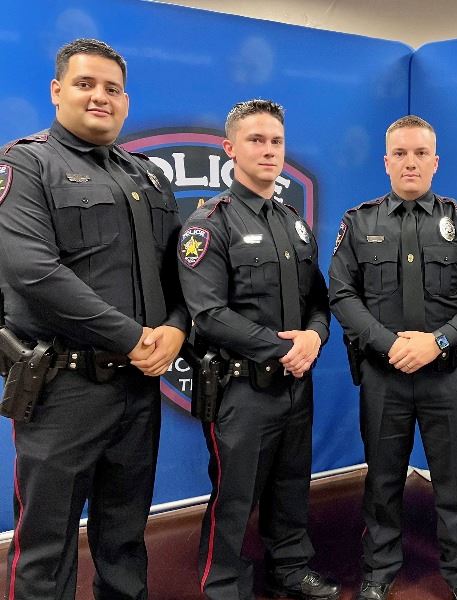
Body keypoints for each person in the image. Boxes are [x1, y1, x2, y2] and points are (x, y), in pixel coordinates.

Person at [0, 38, 189, 599]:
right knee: (45, 546)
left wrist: (177, 326)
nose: (99, 97)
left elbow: (178, 268)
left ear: (126, 101)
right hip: (63, 391)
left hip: (137, 389)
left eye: (112, 88)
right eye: (85, 84)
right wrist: (133, 337)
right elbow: (34, 272)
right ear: (58, 91)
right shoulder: (26, 164)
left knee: (126, 535)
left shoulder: (148, 177)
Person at [328, 115, 457, 600]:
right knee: (382, 479)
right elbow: (342, 296)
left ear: (435, 161)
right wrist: (390, 345)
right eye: (400, 154)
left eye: (420, 153)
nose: (411, 162)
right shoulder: (359, 222)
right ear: (386, 162)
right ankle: (379, 568)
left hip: (448, 376)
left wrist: (439, 341)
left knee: (453, 481)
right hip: (384, 376)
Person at [177, 99, 339, 600]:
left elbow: (319, 301)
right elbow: (208, 314)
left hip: (295, 384)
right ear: (230, 149)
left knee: (292, 487)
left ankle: (290, 568)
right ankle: (223, 585)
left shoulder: (294, 223)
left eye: (276, 142)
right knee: (234, 496)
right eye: (256, 141)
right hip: (239, 390)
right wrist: (281, 348)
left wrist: (315, 337)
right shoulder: (209, 225)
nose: (268, 151)